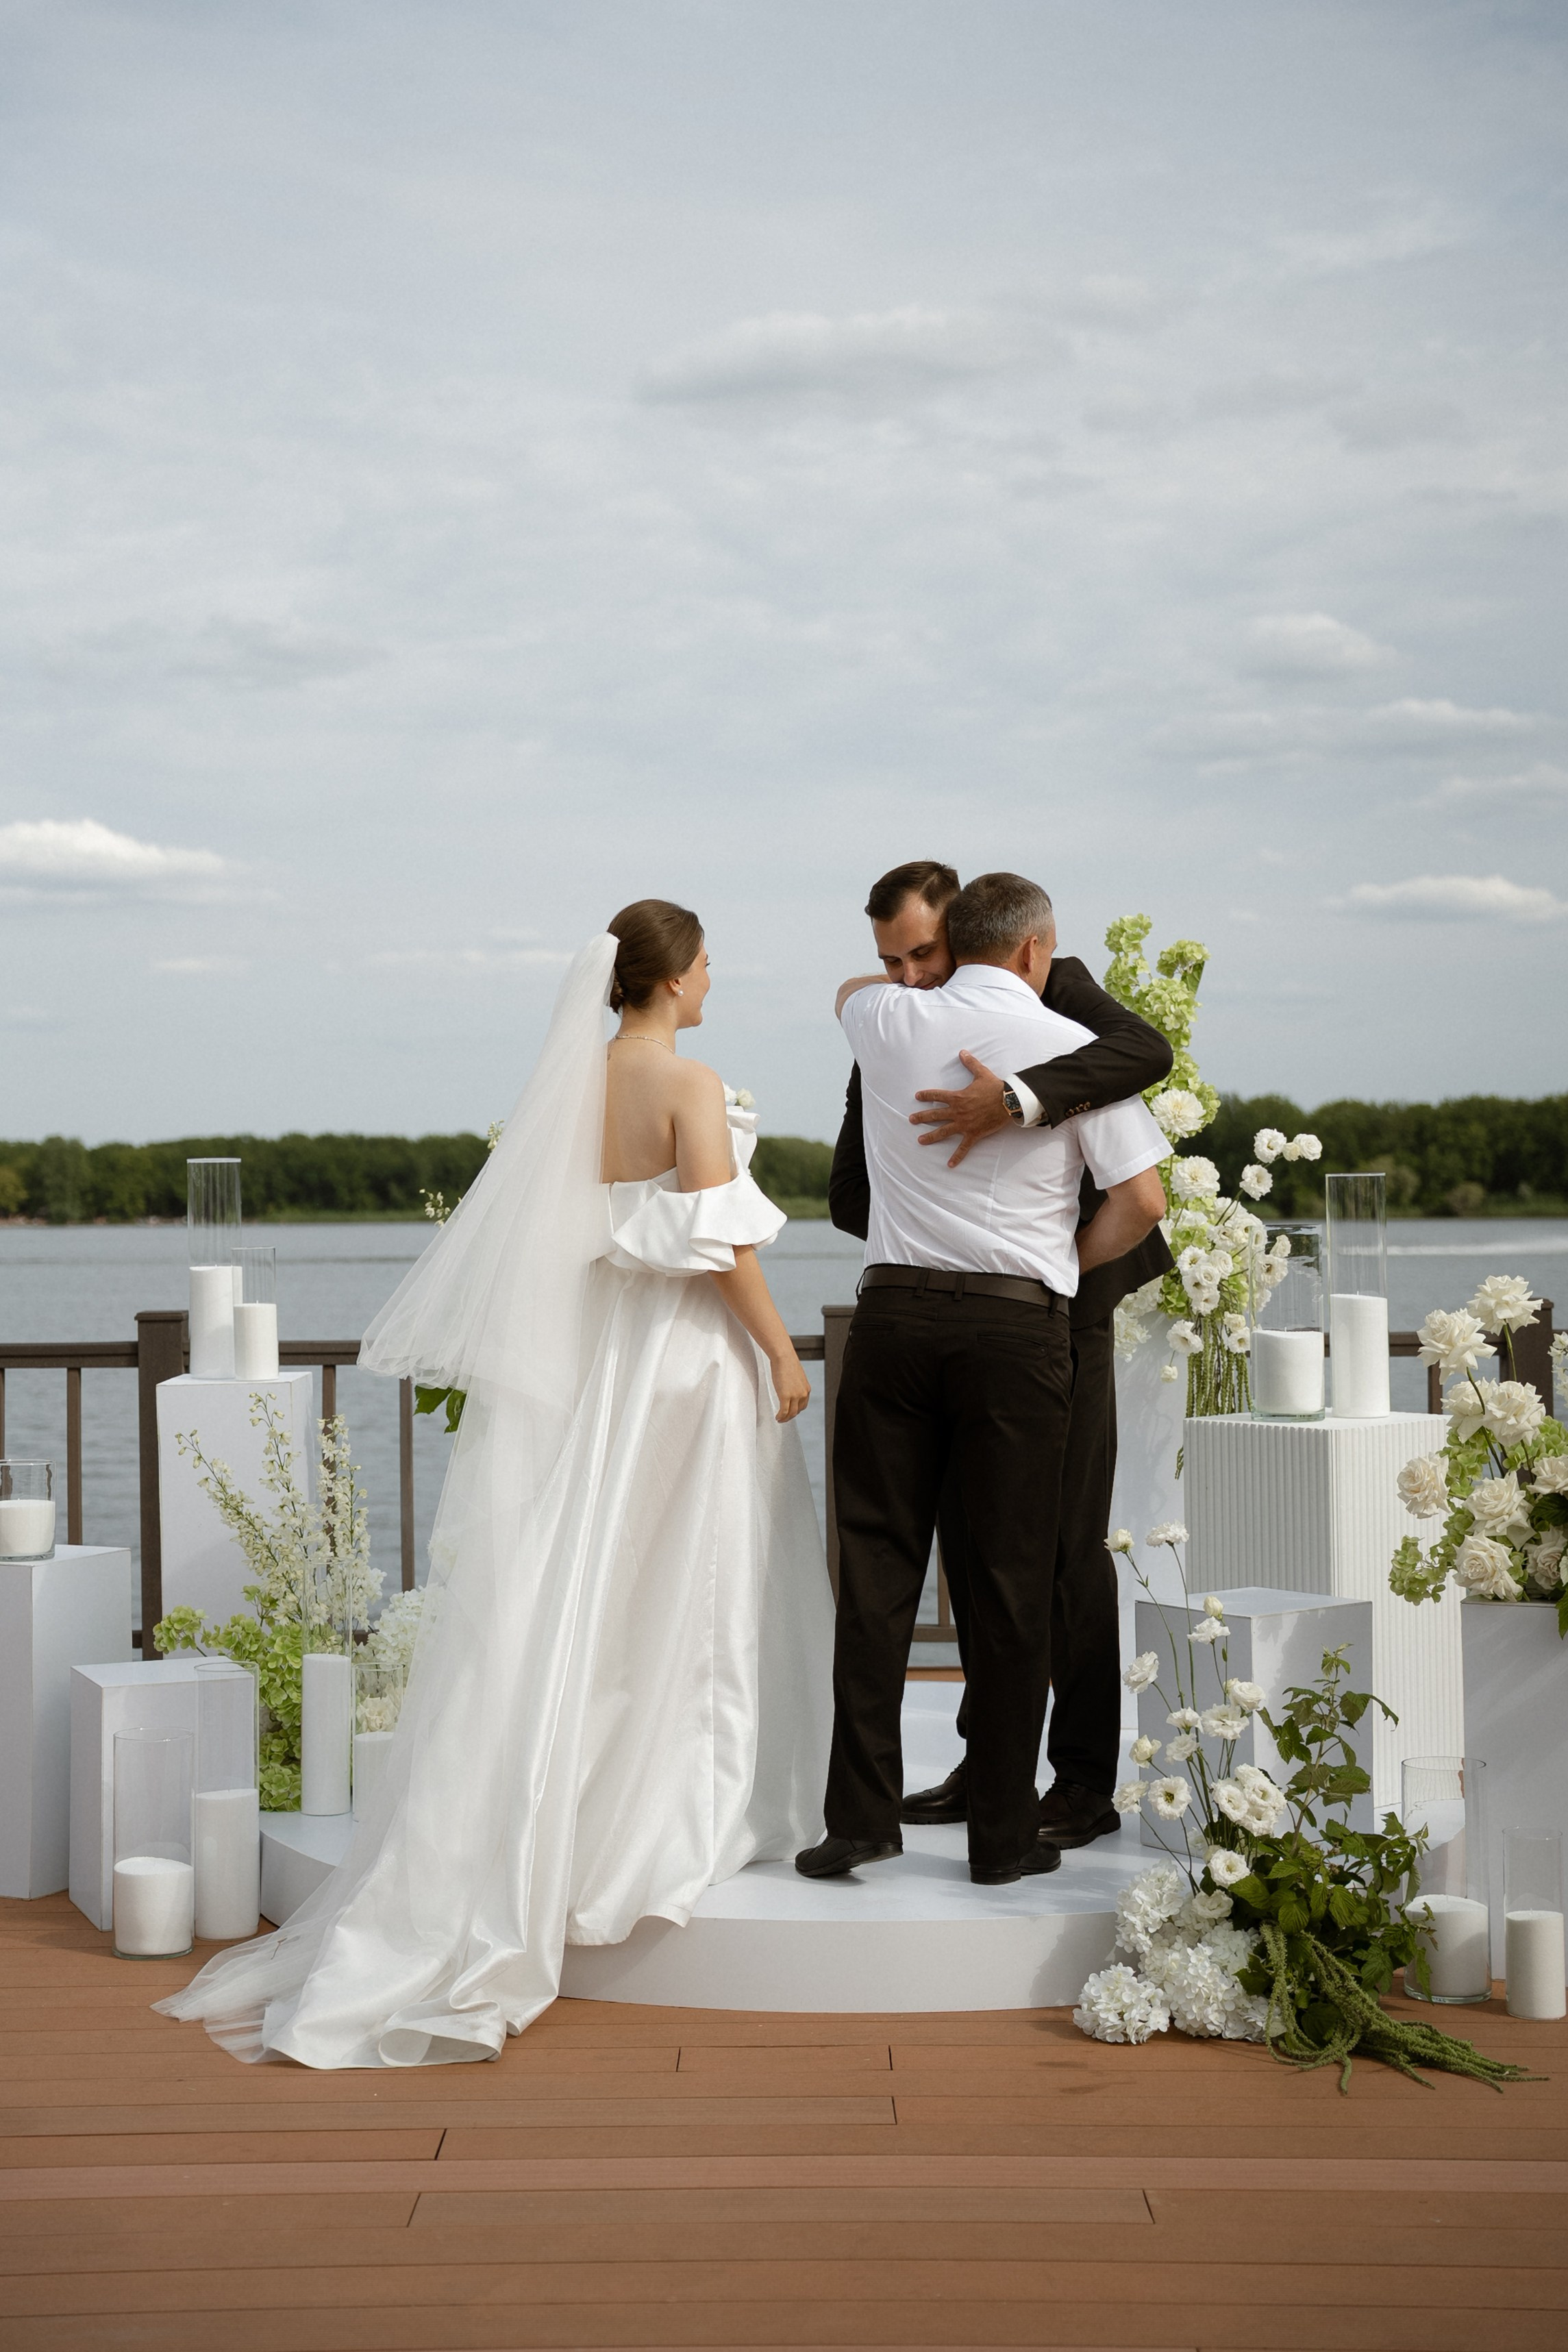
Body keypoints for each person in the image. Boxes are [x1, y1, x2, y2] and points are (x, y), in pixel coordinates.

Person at [156, 903, 833, 2068]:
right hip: (680, 1358)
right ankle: (679, 1807)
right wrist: (777, 1351)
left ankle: (584, 1804)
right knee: (697, 1572)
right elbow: (726, 1249)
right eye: (708, 961)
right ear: (670, 979)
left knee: (601, 1574)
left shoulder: (574, 1083)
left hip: (609, 1356)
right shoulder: (691, 1081)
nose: (715, 978)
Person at [797, 871, 1167, 1887]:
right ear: (1036, 951)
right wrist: (1055, 1265)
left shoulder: (881, 1016)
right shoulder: (1066, 1047)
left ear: (947, 944)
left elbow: (848, 996)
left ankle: (858, 1821)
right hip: (1015, 1331)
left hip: (894, 1319)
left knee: (874, 1574)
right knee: (1009, 1586)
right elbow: (1141, 1198)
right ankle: (1002, 1839)